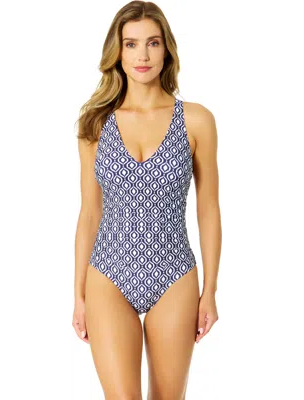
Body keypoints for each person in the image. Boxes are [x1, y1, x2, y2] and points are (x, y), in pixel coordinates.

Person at [72, 1, 222, 398]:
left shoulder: (197, 120)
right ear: (117, 52)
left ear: (167, 50)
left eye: (153, 43)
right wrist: (78, 295)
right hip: (107, 273)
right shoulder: (95, 123)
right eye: (131, 44)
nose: (143, 55)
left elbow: (209, 210)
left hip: (175, 274)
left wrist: (210, 291)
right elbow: (89, 213)